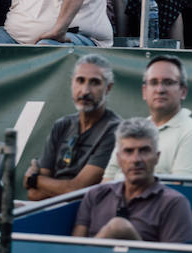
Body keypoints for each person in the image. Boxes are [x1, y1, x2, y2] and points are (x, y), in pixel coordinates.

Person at [72, 118, 192, 242]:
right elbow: (74, 251)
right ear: (119, 159)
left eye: (144, 151)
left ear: (157, 157)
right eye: (129, 151)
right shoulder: (96, 196)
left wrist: (122, 231)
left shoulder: (174, 204)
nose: (136, 159)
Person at [24, 55, 121, 199]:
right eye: (80, 81)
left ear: (108, 88)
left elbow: (76, 190)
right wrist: (46, 186)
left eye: (94, 83)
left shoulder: (115, 130)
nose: (85, 91)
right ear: (72, 83)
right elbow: (33, 194)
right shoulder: (62, 125)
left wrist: (34, 179)